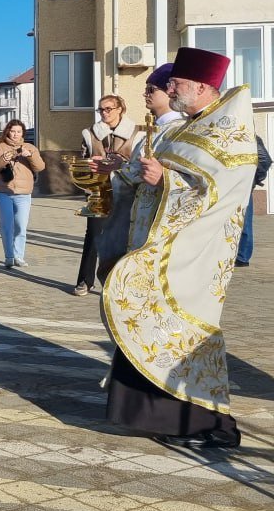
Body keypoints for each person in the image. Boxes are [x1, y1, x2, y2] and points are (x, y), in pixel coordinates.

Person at [102, 47, 257, 451]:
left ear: (203, 86)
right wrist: (136, 173)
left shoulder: (227, 131)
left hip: (194, 253)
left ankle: (212, 422)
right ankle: (152, 413)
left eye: (177, 83)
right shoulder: (190, 124)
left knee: (186, 328)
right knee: (148, 319)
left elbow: (219, 191)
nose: (170, 88)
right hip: (160, 244)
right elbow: (161, 169)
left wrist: (165, 182)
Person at [95, 64, 183, 280]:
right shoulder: (151, 131)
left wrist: (120, 170)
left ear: (169, 91)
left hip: (156, 220)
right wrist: (117, 167)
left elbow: (152, 172)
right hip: (133, 215)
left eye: (151, 89)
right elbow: (136, 169)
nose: (145, 94)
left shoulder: (179, 131)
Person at [74, 94, 142, 295]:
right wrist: (90, 164)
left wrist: (122, 162)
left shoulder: (137, 133)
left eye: (108, 109)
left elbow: (140, 163)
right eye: (100, 109)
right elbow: (81, 164)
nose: (104, 113)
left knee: (124, 238)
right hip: (99, 191)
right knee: (94, 235)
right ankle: (85, 280)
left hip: (127, 191)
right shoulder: (90, 133)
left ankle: (118, 283)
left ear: (120, 109)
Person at [0, 120, 45, 269]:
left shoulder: (30, 147)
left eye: (19, 132)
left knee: (21, 225)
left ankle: (19, 256)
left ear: (23, 134)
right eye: (13, 131)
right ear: (8, 131)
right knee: (7, 225)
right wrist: (3, 159)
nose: (15, 134)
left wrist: (30, 155)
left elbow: (40, 166)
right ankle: (9, 256)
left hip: (23, 193)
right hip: (3, 191)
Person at [236, 135, 269, 267]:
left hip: (242, 183)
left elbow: (265, 160)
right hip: (239, 183)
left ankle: (242, 257)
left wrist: (254, 180)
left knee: (244, 221)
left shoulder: (250, 136)